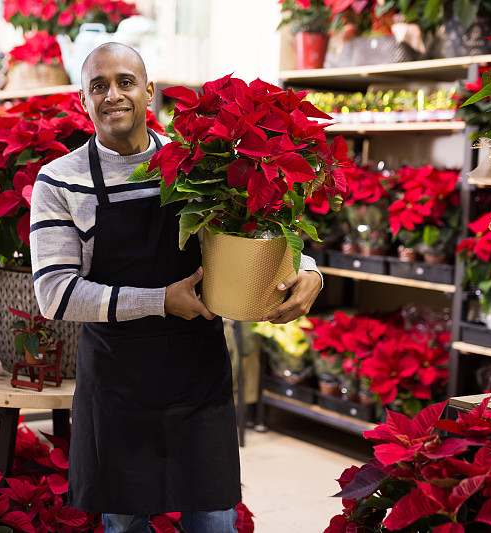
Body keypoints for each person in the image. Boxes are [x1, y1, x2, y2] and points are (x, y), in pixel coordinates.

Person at [30, 43, 323, 533]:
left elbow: (255, 228)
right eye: (97, 86)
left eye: (125, 82)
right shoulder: (60, 182)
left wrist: (310, 269)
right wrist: (161, 300)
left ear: (149, 91)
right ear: (83, 100)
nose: (112, 95)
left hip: (196, 379)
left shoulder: (198, 166)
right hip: (117, 386)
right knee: (124, 524)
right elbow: (55, 294)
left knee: (214, 520)